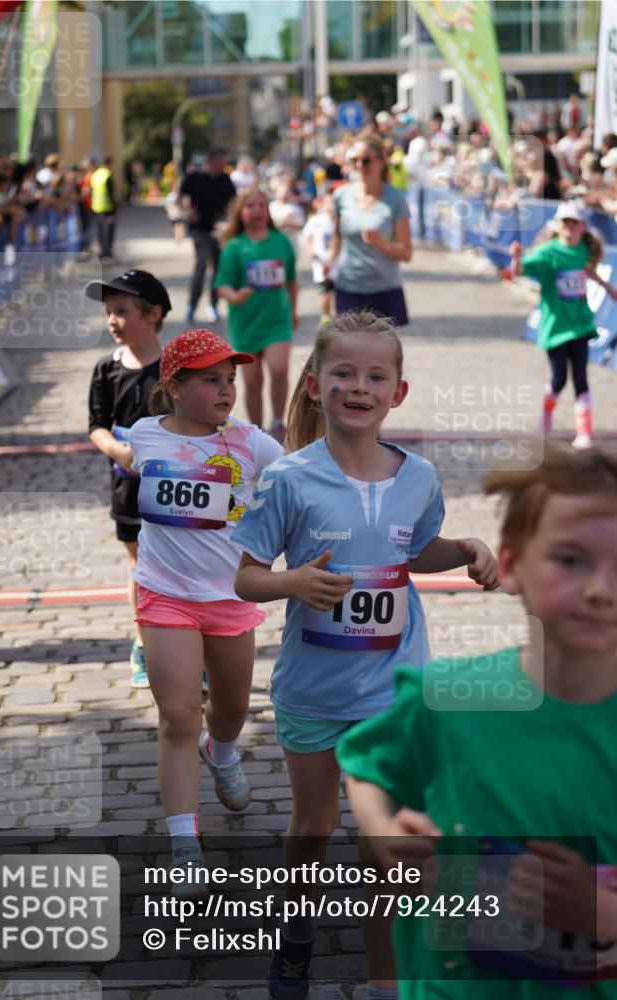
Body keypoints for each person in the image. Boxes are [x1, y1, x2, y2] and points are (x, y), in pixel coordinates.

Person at [231, 310, 498, 999]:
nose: (359, 386)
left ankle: (386, 980)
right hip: (312, 690)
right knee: (313, 825)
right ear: (315, 385)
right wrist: (290, 582)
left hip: (393, 689)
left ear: (397, 393)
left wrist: (464, 552)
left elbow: (414, 551)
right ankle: (295, 939)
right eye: (343, 374)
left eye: (375, 376)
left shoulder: (418, 477)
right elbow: (246, 576)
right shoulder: (288, 479)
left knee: (389, 848)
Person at [338, 439, 617, 999]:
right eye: (569, 559)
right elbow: (367, 769)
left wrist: (601, 913)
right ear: (512, 564)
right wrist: (386, 832)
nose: (600, 591)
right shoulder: (446, 698)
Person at [128, 330, 283, 876]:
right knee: (177, 716)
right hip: (165, 595)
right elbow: (132, 467)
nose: (225, 391)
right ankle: (184, 847)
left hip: (230, 596)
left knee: (233, 708)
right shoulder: (146, 435)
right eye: (210, 380)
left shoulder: (252, 442)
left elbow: (296, 483)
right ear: (173, 386)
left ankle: (223, 752)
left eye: (229, 381)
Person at [86, 270, 172, 688]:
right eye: (109, 313)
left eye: (122, 311)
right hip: (128, 488)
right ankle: (143, 642)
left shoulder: (177, 370)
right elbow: (97, 425)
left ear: (153, 314)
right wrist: (119, 451)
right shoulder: (106, 370)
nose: (112, 321)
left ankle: (191, 646)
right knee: (138, 565)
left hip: (176, 490)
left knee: (178, 565)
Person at [509, 200, 617, 448]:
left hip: (580, 325)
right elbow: (520, 270)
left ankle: (584, 431)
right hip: (556, 328)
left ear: (583, 226)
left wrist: (609, 288)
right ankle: (545, 418)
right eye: (564, 221)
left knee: (581, 376)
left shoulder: (584, 250)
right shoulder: (548, 253)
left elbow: (588, 271)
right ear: (557, 225)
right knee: (559, 379)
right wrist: (516, 258)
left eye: (574, 221)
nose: (569, 226)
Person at [215, 188, 297, 443]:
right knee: (252, 381)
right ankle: (257, 429)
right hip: (246, 323)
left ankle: (277, 422)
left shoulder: (280, 241)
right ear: (240, 213)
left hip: (277, 320)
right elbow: (222, 284)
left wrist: (293, 311)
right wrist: (234, 296)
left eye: (261, 205)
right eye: (250, 206)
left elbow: (292, 281)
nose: (257, 210)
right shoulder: (234, 247)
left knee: (279, 368)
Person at [326, 132, 412, 327]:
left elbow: (407, 253)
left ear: (381, 161)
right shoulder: (342, 195)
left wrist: (382, 242)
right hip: (349, 287)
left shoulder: (395, 199)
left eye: (366, 160)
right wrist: (330, 259)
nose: (359, 166)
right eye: (354, 160)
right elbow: (338, 236)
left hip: (385, 290)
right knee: (349, 353)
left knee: (383, 356)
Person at [180, 147, 236, 323]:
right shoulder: (194, 178)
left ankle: (213, 305)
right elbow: (180, 197)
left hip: (219, 230)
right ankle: (192, 306)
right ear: (212, 161)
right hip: (199, 229)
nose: (224, 165)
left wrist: (230, 219)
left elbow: (233, 202)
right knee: (201, 264)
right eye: (221, 161)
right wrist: (187, 211)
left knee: (218, 269)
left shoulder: (225, 179)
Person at [302, 194, 337, 323]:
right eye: (329, 203)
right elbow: (306, 236)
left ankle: (335, 318)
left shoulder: (340, 220)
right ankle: (326, 315)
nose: (332, 206)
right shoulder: (316, 221)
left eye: (334, 203)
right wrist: (310, 250)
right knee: (325, 292)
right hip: (321, 262)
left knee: (336, 293)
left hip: (338, 264)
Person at [90, 155, 118, 261]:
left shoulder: (95, 175)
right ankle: (108, 252)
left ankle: (102, 251)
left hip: (96, 208)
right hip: (108, 208)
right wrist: (114, 209)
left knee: (100, 231)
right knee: (109, 231)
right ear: (108, 163)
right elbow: (111, 194)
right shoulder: (107, 175)